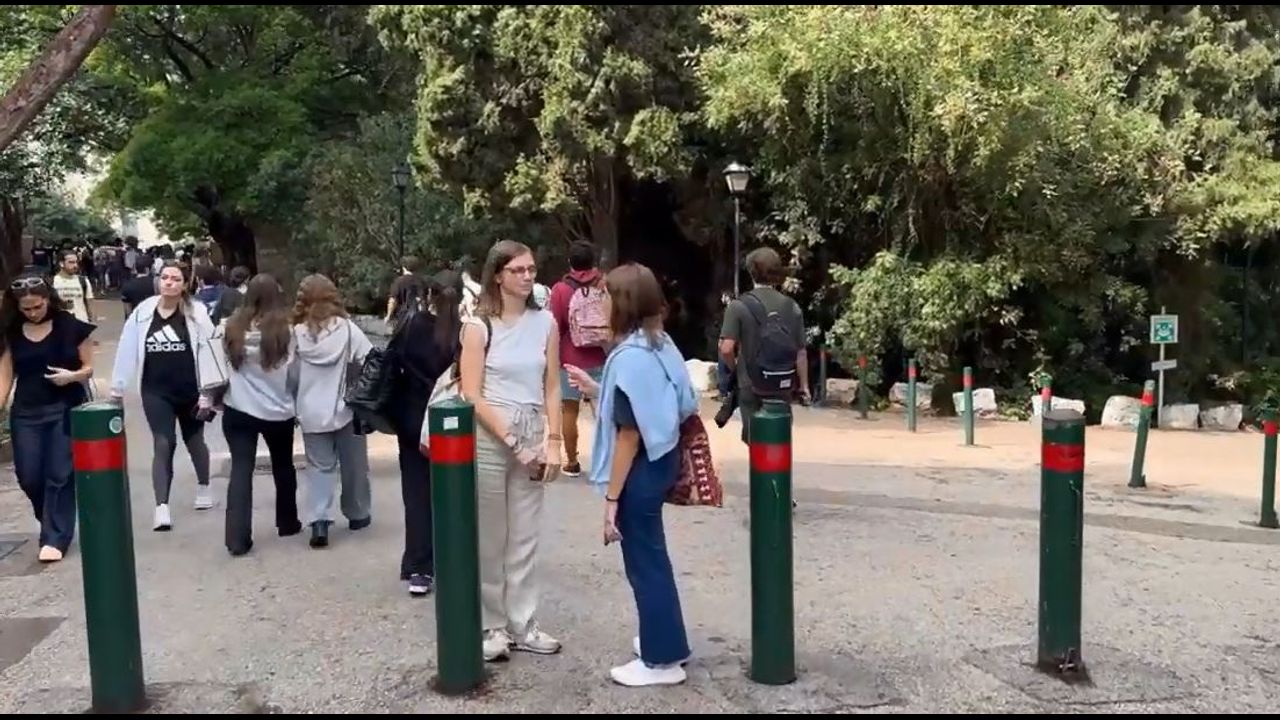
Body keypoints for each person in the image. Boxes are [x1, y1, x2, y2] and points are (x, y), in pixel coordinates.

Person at [564, 263, 697, 687]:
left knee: (645, 564)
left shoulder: (630, 358)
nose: (599, 300)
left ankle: (662, 661)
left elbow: (629, 435)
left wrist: (611, 499)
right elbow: (660, 403)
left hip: (641, 468)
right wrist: (598, 390)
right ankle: (667, 642)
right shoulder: (659, 342)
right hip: (662, 459)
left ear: (621, 302)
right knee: (653, 558)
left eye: (605, 294)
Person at [459, 240, 563, 661]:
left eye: (531, 269)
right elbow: (471, 393)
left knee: (525, 534)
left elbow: (552, 384)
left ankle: (523, 621)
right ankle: (491, 624)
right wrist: (515, 443)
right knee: (491, 535)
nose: (526, 276)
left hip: (532, 424)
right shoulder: (478, 326)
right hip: (491, 432)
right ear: (498, 275)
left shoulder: (547, 323)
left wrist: (554, 440)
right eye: (517, 270)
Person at [111, 261, 216, 529]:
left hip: (191, 390)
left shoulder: (197, 312)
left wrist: (209, 391)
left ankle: (204, 486)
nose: (169, 282)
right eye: (165, 277)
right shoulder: (143, 312)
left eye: (175, 279)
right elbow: (127, 348)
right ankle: (161, 506)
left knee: (194, 440)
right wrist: (117, 387)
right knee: (163, 442)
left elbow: (211, 350)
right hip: (155, 390)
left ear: (185, 284)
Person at [0, 276, 96, 563]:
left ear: (48, 300)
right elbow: (5, 377)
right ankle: (51, 520)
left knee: (59, 473)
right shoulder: (11, 332)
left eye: (37, 306)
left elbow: (89, 368)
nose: (33, 313)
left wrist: (72, 376)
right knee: (29, 476)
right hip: (26, 411)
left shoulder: (70, 326)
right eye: (26, 309)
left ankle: (55, 537)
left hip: (64, 406)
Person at [386, 270, 462, 596]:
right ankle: (455, 560)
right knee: (456, 493)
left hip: (413, 419)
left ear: (429, 295)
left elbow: (392, 365)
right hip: (453, 421)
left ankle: (419, 566)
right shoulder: (465, 333)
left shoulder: (412, 326)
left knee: (416, 494)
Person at [219, 274, 301, 556]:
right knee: (283, 465)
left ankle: (237, 538)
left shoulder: (231, 327)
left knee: (241, 469)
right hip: (278, 409)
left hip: (239, 407)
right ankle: (287, 522)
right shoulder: (287, 331)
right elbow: (294, 372)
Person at [291, 274, 374, 549]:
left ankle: (319, 520)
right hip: (347, 409)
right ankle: (358, 513)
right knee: (355, 465)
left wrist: (293, 403)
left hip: (310, 411)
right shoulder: (348, 330)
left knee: (319, 466)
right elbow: (370, 361)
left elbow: (289, 375)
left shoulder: (296, 335)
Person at [719, 248, 809, 444]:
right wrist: (804, 386)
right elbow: (801, 352)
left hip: (750, 383)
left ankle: (759, 462)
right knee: (777, 438)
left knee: (755, 440)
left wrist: (735, 369)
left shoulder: (738, 306)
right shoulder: (791, 306)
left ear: (751, 272)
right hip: (782, 383)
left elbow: (726, 348)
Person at [548, 241, 608, 477]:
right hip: (601, 355)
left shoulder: (560, 289)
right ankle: (607, 460)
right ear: (594, 261)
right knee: (603, 409)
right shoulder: (605, 285)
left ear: (569, 262)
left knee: (569, 410)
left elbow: (555, 325)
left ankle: (572, 462)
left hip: (569, 357)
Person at [51, 250, 94, 323]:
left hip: (81, 323)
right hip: (59, 324)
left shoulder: (83, 281)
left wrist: (90, 320)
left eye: (76, 262)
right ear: (61, 264)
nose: (75, 265)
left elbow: (89, 304)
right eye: (71, 262)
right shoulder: (52, 282)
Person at [384, 256, 424, 327]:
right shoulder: (421, 282)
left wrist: (388, 316)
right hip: (419, 318)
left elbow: (393, 300)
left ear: (404, 267)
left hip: (403, 317)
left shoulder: (399, 282)